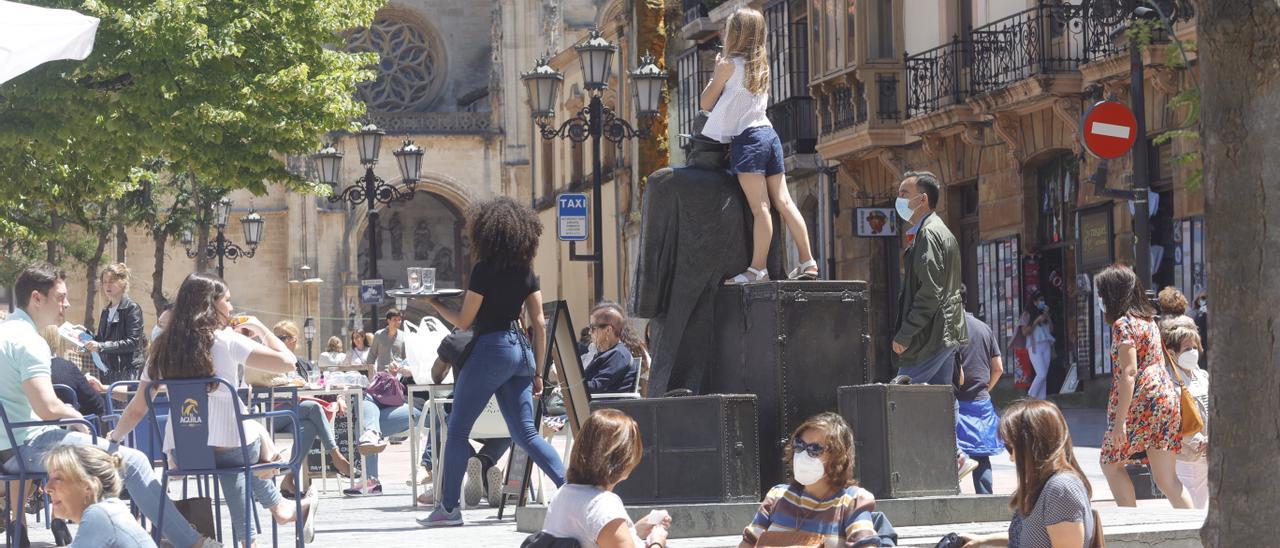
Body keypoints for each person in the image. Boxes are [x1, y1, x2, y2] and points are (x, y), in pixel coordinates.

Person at [0, 264, 218, 548]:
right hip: (26, 446)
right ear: (37, 298)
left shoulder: (6, 332)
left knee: (106, 470)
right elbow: (47, 408)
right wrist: (78, 419)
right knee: (135, 462)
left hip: (10, 447)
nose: (67, 304)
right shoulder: (29, 342)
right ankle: (193, 543)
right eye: (61, 296)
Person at [108, 272, 317, 546]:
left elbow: (138, 407)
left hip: (182, 452)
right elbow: (289, 362)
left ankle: (274, 517)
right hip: (233, 447)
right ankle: (271, 515)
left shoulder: (162, 347)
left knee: (235, 459)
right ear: (211, 304)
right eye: (227, 301)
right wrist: (262, 329)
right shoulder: (226, 340)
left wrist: (114, 438)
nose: (231, 308)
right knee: (241, 450)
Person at [418, 197, 567, 527]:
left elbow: (465, 321)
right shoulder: (527, 272)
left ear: (486, 234)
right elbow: (539, 322)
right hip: (522, 350)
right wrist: (540, 372)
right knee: (526, 432)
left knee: (457, 430)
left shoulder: (483, 271)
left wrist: (435, 303)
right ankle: (571, 489)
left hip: (492, 348)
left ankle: (448, 509)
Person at [699, 7, 818, 284]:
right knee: (785, 203)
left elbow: (706, 103)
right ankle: (808, 261)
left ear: (736, 34)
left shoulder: (729, 66)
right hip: (769, 135)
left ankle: (757, 269)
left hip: (748, 140)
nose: (724, 33)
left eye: (728, 28)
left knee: (760, 208)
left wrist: (717, 76)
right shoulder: (759, 66)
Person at [1093, 264, 1193, 509]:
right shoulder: (1148, 321)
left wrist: (1119, 423)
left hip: (1143, 400)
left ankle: (1131, 525)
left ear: (1113, 294)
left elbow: (1128, 372)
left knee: (1110, 462)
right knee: (1167, 479)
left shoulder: (1123, 324)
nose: (1101, 299)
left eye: (1102, 293)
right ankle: (1195, 533)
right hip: (1165, 397)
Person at [960, 400, 1096, 548]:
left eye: (1011, 448)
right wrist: (983, 541)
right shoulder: (1044, 484)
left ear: (1031, 445)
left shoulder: (1061, 489)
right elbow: (1032, 536)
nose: (1011, 458)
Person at [740, 412, 880, 546]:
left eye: (814, 449)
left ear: (839, 457)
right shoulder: (777, 496)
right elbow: (748, 543)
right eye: (799, 445)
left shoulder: (852, 501)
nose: (803, 455)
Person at [247, 322, 353, 495]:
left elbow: (320, 384)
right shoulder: (268, 358)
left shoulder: (301, 364)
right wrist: (291, 384)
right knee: (314, 408)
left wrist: (339, 397)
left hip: (291, 413)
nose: (276, 341)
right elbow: (259, 380)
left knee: (309, 427)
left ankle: (288, 480)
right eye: (275, 337)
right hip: (271, 415)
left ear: (293, 340)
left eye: (281, 337)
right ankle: (335, 454)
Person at [540, 409, 671, 547]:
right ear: (622, 457)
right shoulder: (603, 505)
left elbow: (592, 538)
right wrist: (657, 542)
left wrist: (633, 531)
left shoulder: (563, 494)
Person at [892, 171, 967, 385]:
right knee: (941, 401)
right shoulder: (941, 231)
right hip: (944, 331)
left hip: (931, 337)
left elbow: (930, 292)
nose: (900, 200)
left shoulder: (928, 234)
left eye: (904, 194)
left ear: (922, 199)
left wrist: (906, 333)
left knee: (899, 395)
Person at [43, 444, 156, 547]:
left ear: (88, 486)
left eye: (57, 478)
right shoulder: (110, 510)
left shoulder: (99, 515)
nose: (47, 488)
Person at [955, 292, 1004, 495]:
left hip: (957, 402)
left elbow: (959, 375)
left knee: (954, 456)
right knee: (982, 455)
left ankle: (953, 499)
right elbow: (998, 368)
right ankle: (986, 497)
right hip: (981, 402)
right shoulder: (984, 328)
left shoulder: (952, 330)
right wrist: (986, 388)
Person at [1160, 317, 1209, 509]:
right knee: (1188, 512)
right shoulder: (1167, 381)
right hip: (1185, 458)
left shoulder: (1202, 376)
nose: (1193, 352)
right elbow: (1173, 420)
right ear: (1172, 352)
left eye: (1195, 347)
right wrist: (1197, 441)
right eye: (1187, 349)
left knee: (1206, 510)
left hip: (1208, 456)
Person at [85, 263, 145, 386]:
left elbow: (133, 342)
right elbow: (102, 340)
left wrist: (101, 346)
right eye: (105, 281)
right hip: (108, 370)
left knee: (125, 405)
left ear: (122, 282)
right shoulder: (106, 311)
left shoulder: (131, 308)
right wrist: (85, 334)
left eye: (111, 281)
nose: (107, 285)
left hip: (127, 371)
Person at [40, 325, 107, 418]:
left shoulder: (17, 370)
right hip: (66, 427)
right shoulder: (67, 368)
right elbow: (98, 405)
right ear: (56, 339)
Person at [583, 305, 637, 394]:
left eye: (593, 328)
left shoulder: (618, 355)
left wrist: (569, 385)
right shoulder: (606, 352)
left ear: (608, 330)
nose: (589, 332)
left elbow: (596, 387)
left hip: (605, 406)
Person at [1017, 291, 1055, 400]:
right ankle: (1030, 396)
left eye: (1043, 300)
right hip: (1034, 346)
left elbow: (1051, 329)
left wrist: (1047, 316)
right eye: (1040, 300)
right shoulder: (1027, 315)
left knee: (1044, 376)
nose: (1042, 302)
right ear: (1034, 302)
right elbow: (1025, 332)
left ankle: (1041, 400)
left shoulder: (1044, 313)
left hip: (1046, 345)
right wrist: (1036, 321)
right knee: (1041, 373)